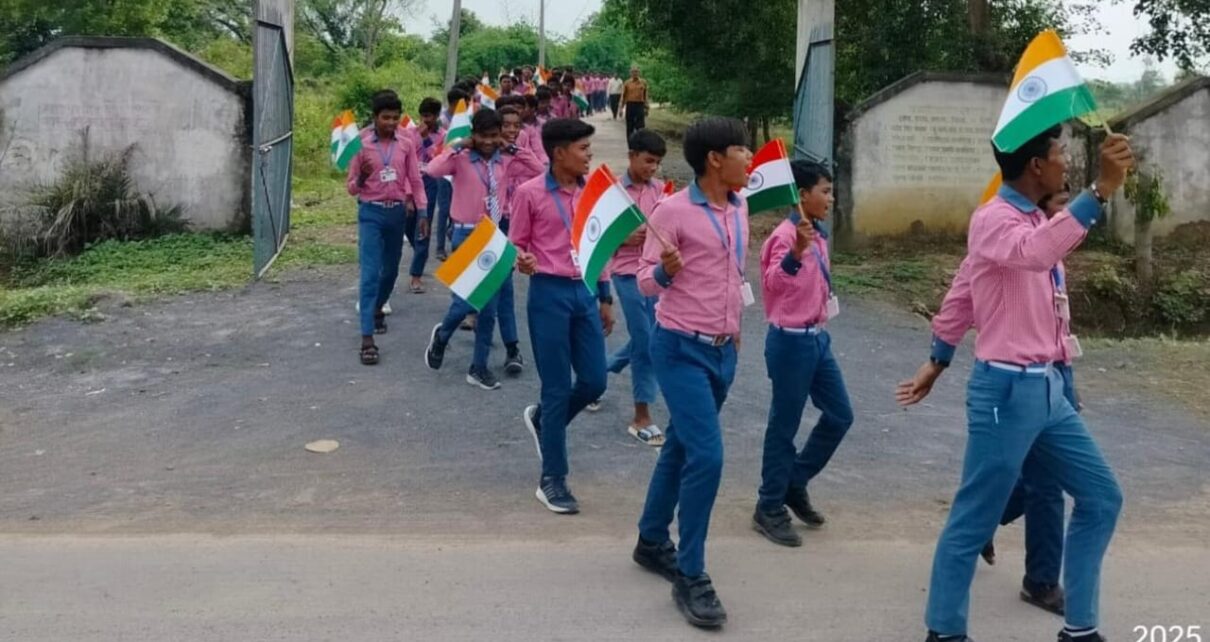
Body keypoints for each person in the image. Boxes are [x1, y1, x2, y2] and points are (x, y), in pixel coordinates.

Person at [896, 126, 1133, 642]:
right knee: (974, 518)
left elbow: (967, 291)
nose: (1066, 161)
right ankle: (945, 631)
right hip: (1004, 391)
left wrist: (938, 358)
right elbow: (1033, 255)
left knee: (1101, 497)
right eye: (1059, 154)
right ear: (1036, 167)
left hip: (1049, 389)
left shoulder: (1032, 219)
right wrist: (1099, 191)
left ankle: (1080, 629)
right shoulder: (995, 220)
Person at [909, 187, 1075, 618]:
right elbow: (959, 301)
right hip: (1010, 382)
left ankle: (1036, 574)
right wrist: (938, 359)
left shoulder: (1050, 247)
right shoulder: (1000, 241)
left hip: (1054, 375)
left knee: (1046, 479)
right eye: (1060, 204)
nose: (1066, 214)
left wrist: (1065, 376)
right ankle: (959, 610)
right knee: (1018, 481)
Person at [632, 117, 752, 629]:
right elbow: (642, 281)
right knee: (707, 455)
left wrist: (735, 327)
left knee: (681, 446)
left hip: (723, 351)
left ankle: (650, 539)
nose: (749, 158)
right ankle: (691, 572)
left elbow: (733, 275)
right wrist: (665, 271)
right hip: (680, 348)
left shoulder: (740, 207)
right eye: (741, 150)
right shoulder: (673, 211)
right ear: (715, 160)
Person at [510, 118, 613, 515]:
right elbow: (516, 244)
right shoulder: (529, 193)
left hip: (585, 293)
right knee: (555, 389)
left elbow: (600, 245)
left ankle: (544, 421)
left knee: (594, 381)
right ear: (559, 153)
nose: (589, 155)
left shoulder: (593, 194)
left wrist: (605, 296)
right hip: (548, 294)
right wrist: (523, 259)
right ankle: (552, 478)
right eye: (583, 149)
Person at [752, 160, 854, 548]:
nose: (831, 198)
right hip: (789, 341)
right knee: (784, 424)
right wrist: (795, 251)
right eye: (825, 191)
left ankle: (794, 481)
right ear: (802, 195)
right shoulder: (784, 237)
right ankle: (768, 505)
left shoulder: (819, 234)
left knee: (840, 414)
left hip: (817, 338)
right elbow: (772, 285)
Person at [423, 109, 544, 390]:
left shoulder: (506, 160)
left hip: (494, 236)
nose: (489, 142)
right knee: (467, 300)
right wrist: (457, 146)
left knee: (488, 308)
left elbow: (539, 170)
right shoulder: (461, 159)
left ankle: (478, 367)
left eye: (494, 136)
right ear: (473, 135)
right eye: (483, 136)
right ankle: (443, 334)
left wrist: (512, 147)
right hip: (466, 234)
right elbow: (433, 169)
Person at [346, 91, 427, 366]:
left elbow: (415, 180)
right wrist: (362, 177)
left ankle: (378, 306)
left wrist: (423, 211)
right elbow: (351, 188)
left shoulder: (406, 144)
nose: (391, 123)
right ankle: (367, 338)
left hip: (397, 214)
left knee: (390, 272)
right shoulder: (360, 144)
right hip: (371, 213)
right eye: (385, 118)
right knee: (370, 274)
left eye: (395, 118)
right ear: (375, 117)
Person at [606, 129, 669, 446]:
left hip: (655, 274)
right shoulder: (614, 193)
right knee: (645, 341)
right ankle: (641, 416)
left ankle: (600, 374)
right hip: (625, 273)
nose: (652, 168)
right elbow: (595, 238)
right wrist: (623, 238)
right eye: (648, 161)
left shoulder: (660, 191)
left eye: (657, 163)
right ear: (632, 156)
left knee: (652, 335)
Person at [404, 97, 445, 293]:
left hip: (429, 183)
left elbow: (438, 159)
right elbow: (405, 160)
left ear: (436, 116)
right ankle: (420, 252)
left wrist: (427, 139)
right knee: (408, 225)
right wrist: (407, 195)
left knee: (423, 227)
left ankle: (416, 275)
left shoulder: (443, 136)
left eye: (429, 116)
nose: (425, 120)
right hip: (408, 183)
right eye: (422, 116)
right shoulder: (409, 134)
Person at [436, 87, 471, 260]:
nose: (467, 106)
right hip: (446, 169)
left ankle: (452, 233)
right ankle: (440, 247)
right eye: (464, 103)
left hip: (461, 169)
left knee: (456, 207)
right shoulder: (442, 121)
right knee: (444, 209)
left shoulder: (466, 120)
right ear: (455, 103)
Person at [516, 94, 549, 166]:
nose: (518, 111)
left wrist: (545, 164)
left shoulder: (543, 125)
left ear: (533, 108)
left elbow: (539, 151)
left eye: (522, 108)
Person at [623, 66, 649, 138]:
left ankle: (640, 142)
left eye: (636, 71)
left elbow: (646, 96)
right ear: (630, 73)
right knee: (630, 125)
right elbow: (623, 96)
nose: (635, 73)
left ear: (639, 73)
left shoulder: (643, 82)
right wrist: (621, 108)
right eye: (633, 72)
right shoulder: (627, 83)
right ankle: (630, 142)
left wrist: (647, 108)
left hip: (640, 105)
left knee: (640, 126)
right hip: (630, 105)